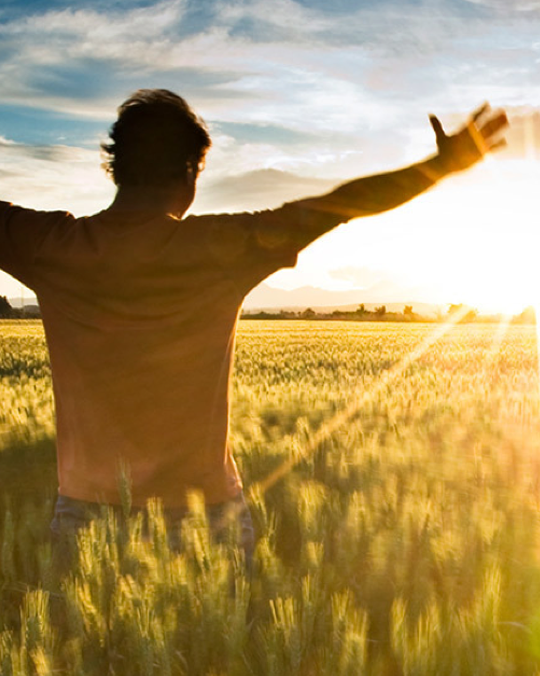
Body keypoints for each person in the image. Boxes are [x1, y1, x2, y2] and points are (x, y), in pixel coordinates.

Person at [0, 89, 508, 568]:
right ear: (189, 171)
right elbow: (339, 205)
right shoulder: (222, 247)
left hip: (87, 516)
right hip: (205, 515)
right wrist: (439, 167)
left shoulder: (51, 246)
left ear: (116, 168)